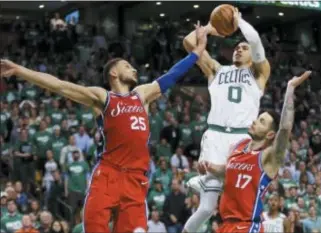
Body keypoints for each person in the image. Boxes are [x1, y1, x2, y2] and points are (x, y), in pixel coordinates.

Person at [0, 22, 209, 233]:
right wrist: (19, 70)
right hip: (109, 174)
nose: (134, 68)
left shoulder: (142, 94)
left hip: (136, 179)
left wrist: (198, 52)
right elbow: (59, 85)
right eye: (127, 65)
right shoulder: (103, 97)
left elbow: (172, 75)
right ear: (113, 74)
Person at [182, 6, 271, 233]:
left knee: (240, 203)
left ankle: (207, 183)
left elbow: (256, 42)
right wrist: (212, 28)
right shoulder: (216, 69)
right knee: (206, 208)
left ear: (252, 55)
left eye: (244, 48)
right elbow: (189, 42)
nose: (239, 50)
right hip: (215, 135)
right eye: (236, 47)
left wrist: (237, 22)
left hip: (242, 139)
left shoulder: (259, 73)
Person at [197, 71, 312, 233]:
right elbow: (227, 171)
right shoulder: (239, 146)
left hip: (247, 225)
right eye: (258, 118)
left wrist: (290, 89)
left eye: (261, 122)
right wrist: (209, 167)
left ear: (270, 134)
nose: (254, 122)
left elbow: (285, 129)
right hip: (225, 225)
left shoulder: (268, 157)